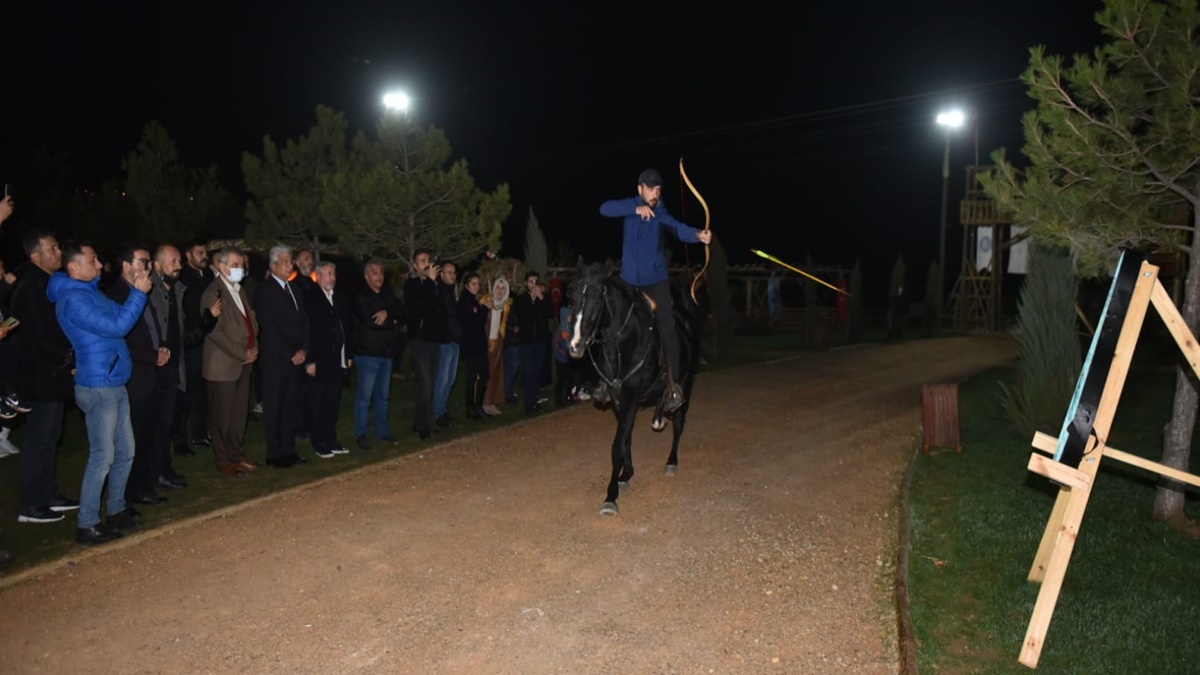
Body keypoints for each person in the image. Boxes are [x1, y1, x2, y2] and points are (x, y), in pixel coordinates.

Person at [51, 240, 151, 545]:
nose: (99, 265)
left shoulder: (89, 293)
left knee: (125, 451)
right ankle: (87, 523)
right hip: (97, 386)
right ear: (73, 267)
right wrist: (139, 293)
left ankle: (116, 509)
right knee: (103, 455)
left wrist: (135, 292)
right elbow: (119, 325)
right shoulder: (73, 300)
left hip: (113, 380)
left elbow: (120, 317)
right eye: (93, 261)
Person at [599, 167, 712, 412]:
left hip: (656, 282)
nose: (654, 194)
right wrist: (634, 208)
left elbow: (678, 228)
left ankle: (673, 387)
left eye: (658, 190)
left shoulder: (661, 215)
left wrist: (698, 235)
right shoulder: (630, 206)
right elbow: (604, 208)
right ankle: (606, 382)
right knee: (612, 326)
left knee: (668, 327)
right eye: (650, 189)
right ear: (639, 188)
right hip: (629, 281)